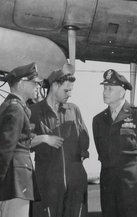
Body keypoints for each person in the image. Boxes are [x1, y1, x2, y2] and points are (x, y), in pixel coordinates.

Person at [92, 69, 137, 217]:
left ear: (122, 92)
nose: (105, 92)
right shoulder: (98, 120)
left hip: (132, 182)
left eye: (110, 89)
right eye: (104, 88)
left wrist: (136, 170)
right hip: (108, 183)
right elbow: (102, 151)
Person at [0, 62, 42, 217]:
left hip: (10, 182)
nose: (37, 86)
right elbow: (6, 148)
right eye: (34, 83)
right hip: (16, 182)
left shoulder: (8, 106)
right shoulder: (15, 109)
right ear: (21, 84)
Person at [30, 63, 90, 217]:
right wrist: (44, 138)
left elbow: (84, 141)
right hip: (48, 186)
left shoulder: (73, 110)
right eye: (66, 90)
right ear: (55, 86)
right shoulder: (34, 112)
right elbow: (22, 142)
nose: (69, 94)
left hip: (75, 185)